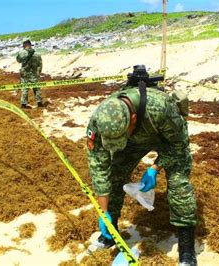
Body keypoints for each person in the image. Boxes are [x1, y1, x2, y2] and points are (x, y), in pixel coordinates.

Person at [86, 65, 197, 265]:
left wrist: (155, 168)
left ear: (133, 118)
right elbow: (99, 167)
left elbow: (179, 146)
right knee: (115, 175)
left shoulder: (161, 108)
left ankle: (187, 247)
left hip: (166, 138)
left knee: (179, 184)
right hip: (132, 142)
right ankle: (110, 235)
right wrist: (104, 213)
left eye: (120, 136)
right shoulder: (99, 120)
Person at [16, 40, 43, 108]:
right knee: (37, 89)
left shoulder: (21, 53)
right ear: (30, 45)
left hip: (25, 74)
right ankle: (39, 103)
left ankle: (24, 104)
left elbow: (18, 60)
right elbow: (40, 64)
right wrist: (38, 73)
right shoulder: (37, 54)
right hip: (35, 74)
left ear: (24, 46)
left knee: (25, 89)